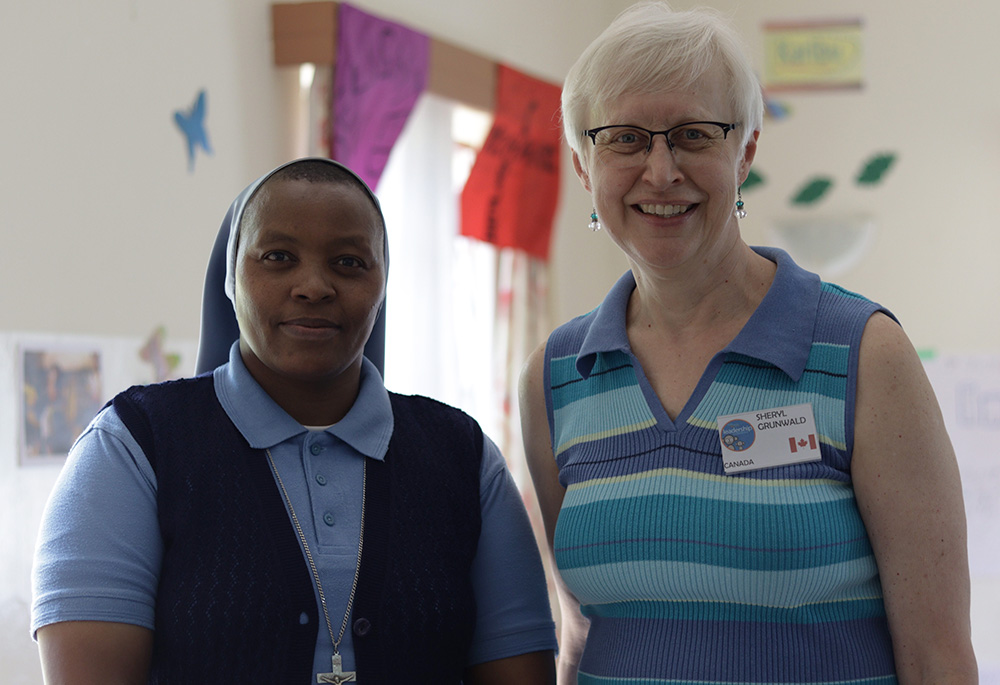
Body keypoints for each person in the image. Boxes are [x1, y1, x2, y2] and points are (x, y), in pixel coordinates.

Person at [518, 4, 978, 684]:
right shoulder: (556, 378)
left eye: (694, 134)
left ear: (746, 152)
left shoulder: (865, 356)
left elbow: (936, 657)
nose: (661, 170)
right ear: (585, 167)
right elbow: (583, 632)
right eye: (624, 139)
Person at [32, 157, 558, 684]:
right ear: (231, 279)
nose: (313, 285)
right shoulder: (132, 448)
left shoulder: (463, 458)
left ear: (383, 286)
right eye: (278, 256)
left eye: (349, 262)